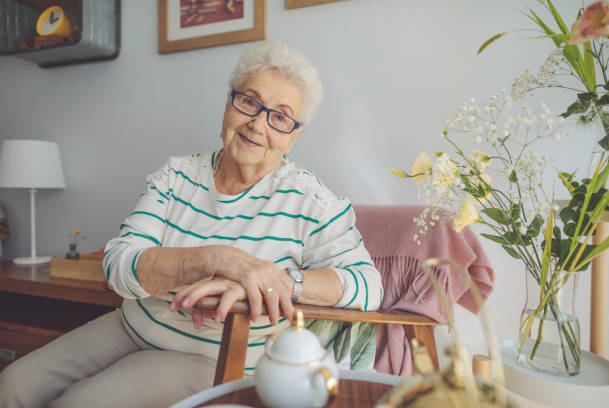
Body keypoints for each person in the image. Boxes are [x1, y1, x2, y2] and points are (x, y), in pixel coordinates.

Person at [0, 40, 382, 408]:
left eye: (280, 117)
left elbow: (367, 285)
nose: (258, 123)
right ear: (229, 104)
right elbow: (119, 264)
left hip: (215, 355)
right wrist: (216, 259)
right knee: (11, 386)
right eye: (249, 101)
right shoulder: (176, 176)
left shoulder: (310, 201)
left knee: (82, 404)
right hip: (132, 327)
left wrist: (279, 281)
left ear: (294, 136)